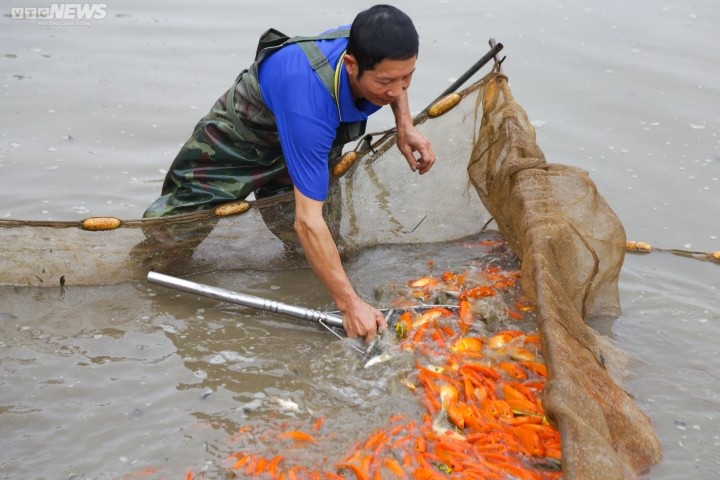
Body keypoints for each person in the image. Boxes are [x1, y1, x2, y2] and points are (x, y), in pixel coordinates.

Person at [142, 5, 436, 343]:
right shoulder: (309, 104)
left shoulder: (374, 47)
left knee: (314, 247)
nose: (398, 90)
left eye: (407, 78)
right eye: (385, 83)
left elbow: (393, 77)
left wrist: (405, 126)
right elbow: (307, 221)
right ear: (352, 65)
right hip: (241, 137)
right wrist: (350, 305)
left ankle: (310, 289)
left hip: (306, 138)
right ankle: (145, 301)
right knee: (169, 239)